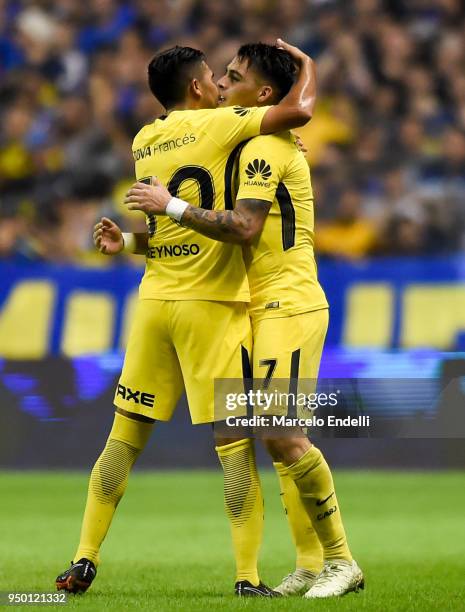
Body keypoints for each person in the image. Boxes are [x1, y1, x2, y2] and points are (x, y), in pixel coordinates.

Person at [55, 40, 316, 597]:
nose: (222, 83)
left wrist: (127, 240)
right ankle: (248, 578)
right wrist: (308, 66)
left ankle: (83, 558)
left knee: (121, 440)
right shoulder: (223, 124)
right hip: (212, 308)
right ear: (198, 88)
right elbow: (297, 111)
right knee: (235, 445)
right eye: (214, 77)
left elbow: (172, 229)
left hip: (154, 303)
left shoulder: (144, 139)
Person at [118, 43, 364, 599]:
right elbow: (200, 231)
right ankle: (307, 561)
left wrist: (170, 205)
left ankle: (342, 561)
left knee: (281, 432)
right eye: (220, 76)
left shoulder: (266, 148)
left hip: (287, 302)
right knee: (269, 437)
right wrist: (134, 241)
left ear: (264, 95)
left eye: (234, 77)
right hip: (252, 307)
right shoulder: (244, 149)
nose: (223, 85)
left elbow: (242, 229)